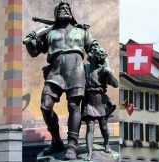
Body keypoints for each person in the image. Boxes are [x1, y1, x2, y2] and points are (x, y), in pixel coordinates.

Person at [24, 1, 106, 160]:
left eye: (67, 8)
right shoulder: (49, 33)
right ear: (56, 14)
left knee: (73, 105)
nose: (65, 9)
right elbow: (34, 52)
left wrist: (101, 56)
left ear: (71, 14)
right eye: (61, 8)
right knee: (45, 106)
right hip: (55, 70)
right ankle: (56, 141)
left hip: (76, 69)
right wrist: (30, 41)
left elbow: (95, 47)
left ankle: (71, 146)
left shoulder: (81, 32)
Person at [82, 48, 118, 161]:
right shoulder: (85, 68)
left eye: (92, 53)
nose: (89, 54)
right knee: (90, 127)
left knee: (104, 127)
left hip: (100, 101)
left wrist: (109, 72)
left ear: (95, 58)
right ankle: (89, 153)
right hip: (89, 101)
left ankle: (107, 144)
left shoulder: (103, 70)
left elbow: (116, 84)